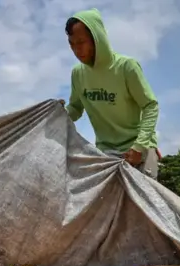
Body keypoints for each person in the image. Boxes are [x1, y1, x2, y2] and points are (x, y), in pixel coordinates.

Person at [59, 8, 162, 179]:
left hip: (137, 150)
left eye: (81, 42)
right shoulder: (78, 74)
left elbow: (150, 105)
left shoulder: (126, 67)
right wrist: (58, 113)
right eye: (72, 44)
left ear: (96, 39)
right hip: (106, 152)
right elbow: (76, 108)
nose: (77, 50)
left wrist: (140, 146)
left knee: (143, 202)